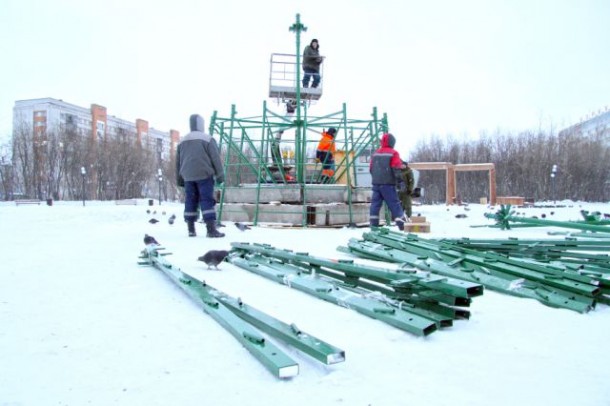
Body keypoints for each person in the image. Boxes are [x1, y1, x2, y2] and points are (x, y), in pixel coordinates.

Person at [176, 114, 225, 238]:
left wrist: (179, 179)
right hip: (204, 174)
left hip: (188, 176)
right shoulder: (207, 139)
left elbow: (178, 161)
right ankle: (211, 229)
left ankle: (191, 229)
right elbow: (215, 158)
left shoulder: (182, 141)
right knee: (206, 199)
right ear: (201, 124)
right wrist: (220, 175)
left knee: (190, 200)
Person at [369, 133, 408, 230]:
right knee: (394, 204)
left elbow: (371, 168)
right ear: (392, 142)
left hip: (376, 184)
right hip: (388, 184)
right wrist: (400, 181)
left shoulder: (375, 153)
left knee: (375, 205)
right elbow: (396, 168)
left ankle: (373, 225)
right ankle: (401, 224)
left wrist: (377, 178)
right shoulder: (393, 153)